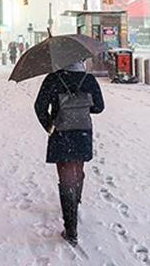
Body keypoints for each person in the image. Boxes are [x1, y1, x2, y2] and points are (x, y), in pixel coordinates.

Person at [34, 61, 105, 245]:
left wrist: (50, 125)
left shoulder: (53, 79)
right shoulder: (88, 79)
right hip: (82, 132)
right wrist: (81, 105)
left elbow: (39, 106)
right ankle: (76, 199)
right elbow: (99, 107)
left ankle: (71, 229)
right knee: (78, 169)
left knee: (65, 177)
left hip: (62, 134)